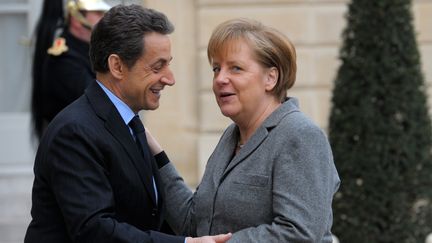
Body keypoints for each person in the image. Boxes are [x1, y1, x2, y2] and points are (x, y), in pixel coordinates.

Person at [24, 4, 231, 243]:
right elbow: (95, 230)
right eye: (157, 66)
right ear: (117, 66)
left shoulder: (128, 122)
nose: (169, 79)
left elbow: (147, 215)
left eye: (168, 64)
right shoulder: (75, 132)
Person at [147, 18, 341, 242]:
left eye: (236, 68)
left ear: (271, 78)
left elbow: (298, 232)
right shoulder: (231, 136)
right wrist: (156, 155)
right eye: (216, 69)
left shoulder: (300, 135)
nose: (220, 79)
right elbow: (194, 223)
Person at [31, 0, 110, 140]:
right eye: (98, 13)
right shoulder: (63, 59)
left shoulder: (88, 50)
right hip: (70, 143)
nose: (104, 19)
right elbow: (99, 101)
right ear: (77, 20)